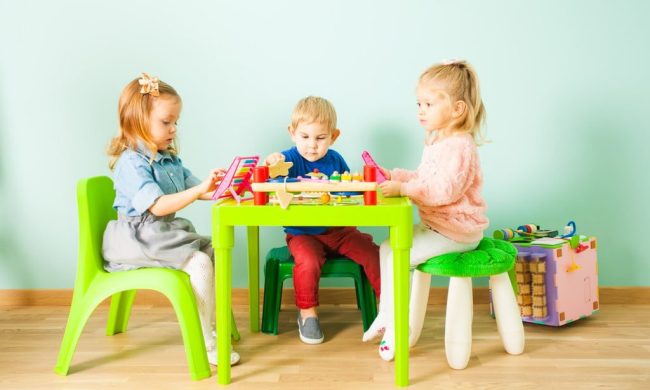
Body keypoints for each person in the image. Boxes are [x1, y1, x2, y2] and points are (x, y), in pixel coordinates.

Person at [102, 73, 240, 366]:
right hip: (137, 238)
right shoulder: (131, 162)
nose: (174, 129)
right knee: (200, 262)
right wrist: (200, 189)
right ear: (137, 121)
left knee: (215, 251)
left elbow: (198, 189)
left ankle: (210, 323)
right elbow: (159, 206)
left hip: (160, 234)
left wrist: (224, 186)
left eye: (176, 122)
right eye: (166, 122)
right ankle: (205, 341)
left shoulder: (168, 158)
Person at [362, 60, 490, 362]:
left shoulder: (460, 146)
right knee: (386, 247)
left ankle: (396, 329)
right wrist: (393, 175)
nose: (421, 110)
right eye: (419, 103)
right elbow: (423, 178)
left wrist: (404, 190)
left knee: (400, 256)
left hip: (457, 231)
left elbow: (443, 190)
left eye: (429, 104)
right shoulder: (437, 142)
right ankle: (386, 314)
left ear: (457, 109)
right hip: (438, 227)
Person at [264, 96, 381, 345]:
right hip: (302, 233)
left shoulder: (335, 160)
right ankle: (307, 314)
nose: (312, 146)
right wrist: (273, 161)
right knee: (307, 261)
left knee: (373, 253)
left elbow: (350, 190)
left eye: (320, 138)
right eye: (305, 137)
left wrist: (359, 188)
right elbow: (274, 175)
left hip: (339, 231)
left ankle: (389, 308)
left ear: (333, 136)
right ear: (292, 133)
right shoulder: (290, 159)